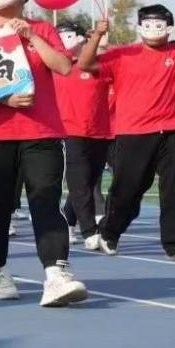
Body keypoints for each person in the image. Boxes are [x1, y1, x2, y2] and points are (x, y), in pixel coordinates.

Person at [0, 0, 87, 307]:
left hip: (41, 131)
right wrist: (5, 100)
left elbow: (63, 66)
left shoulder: (42, 29)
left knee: (45, 199)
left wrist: (31, 37)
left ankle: (56, 273)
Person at [78, 0, 175, 263]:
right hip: (134, 133)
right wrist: (97, 36)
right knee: (128, 189)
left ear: (169, 28)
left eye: (159, 24)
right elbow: (85, 65)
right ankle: (110, 231)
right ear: (140, 27)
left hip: (174, 132)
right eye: (148, 24)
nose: (153, 28)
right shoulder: (123, 54)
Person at [53, 20, 111, 252]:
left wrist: (101, 43)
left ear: (80, 38)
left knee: (88, 182)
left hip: (100, 132)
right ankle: (90, 231)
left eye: (67, 35)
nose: (62, 40)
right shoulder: (55, 66)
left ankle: (68, 221)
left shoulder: (99, 65)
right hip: (69, 132)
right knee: (79, 183)